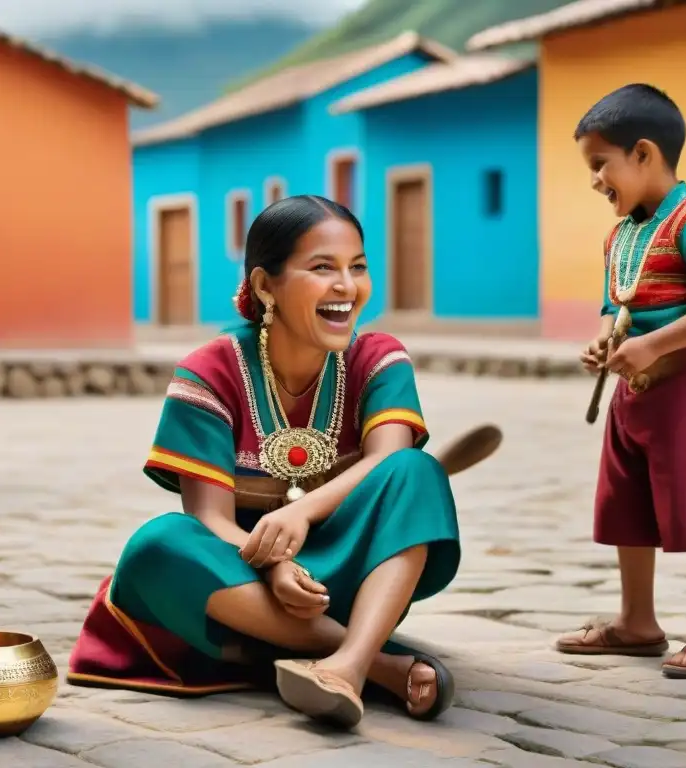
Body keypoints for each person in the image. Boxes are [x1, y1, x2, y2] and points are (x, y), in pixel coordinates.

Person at [69, 195, 461, 727]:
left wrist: (301, 513)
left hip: (341, 578)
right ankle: (376, 664)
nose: (347, 286)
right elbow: (209, 520)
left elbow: (389, 457)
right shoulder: (209, 371)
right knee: (158, 543)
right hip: (243, 583)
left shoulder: (377, 358)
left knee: (416, 470)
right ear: (264, 285)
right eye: (323, 268)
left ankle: (343, 662)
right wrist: (273, 564)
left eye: (358, 267)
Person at [559, 84, 686, 678]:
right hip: (633, 395)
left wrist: (653, 345)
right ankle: (637, 622)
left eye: (601, 164)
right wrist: (607, 339)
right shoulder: (621, 235)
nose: (595, 180)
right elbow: (613, 303)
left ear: (643, 154)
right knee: (626, 502)